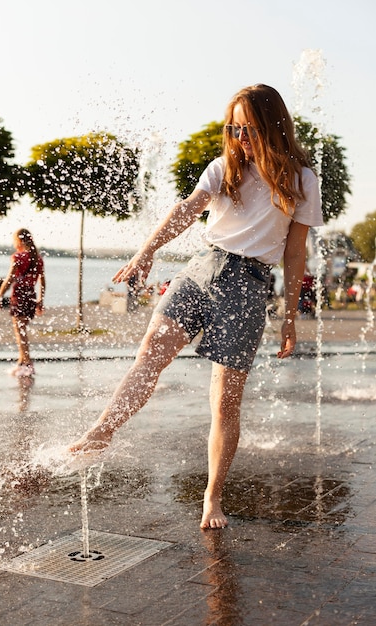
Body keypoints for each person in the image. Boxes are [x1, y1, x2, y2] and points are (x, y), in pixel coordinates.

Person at [70, 84, 323, 529]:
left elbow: (294, 254)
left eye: (248, 127)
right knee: (149, 355)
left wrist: (289, 317)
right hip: (202, 269)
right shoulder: (225, 168)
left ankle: (212, 498)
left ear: (272, 126)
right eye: (234, 127)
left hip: (248, 285)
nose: (240, 136)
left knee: (225, 403)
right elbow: (186, 210)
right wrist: (146, 250)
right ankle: (100, 433)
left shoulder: (302, 180)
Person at [0, 228, 46, 377]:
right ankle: (21, 362)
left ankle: (27, 363)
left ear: (19, 241)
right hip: (31, 295)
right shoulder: (38, 258)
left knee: (20, 332)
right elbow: (42, 281)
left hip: (19, 296)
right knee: (22, 330)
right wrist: (41, 299)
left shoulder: (18, 257)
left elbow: (9, 279)